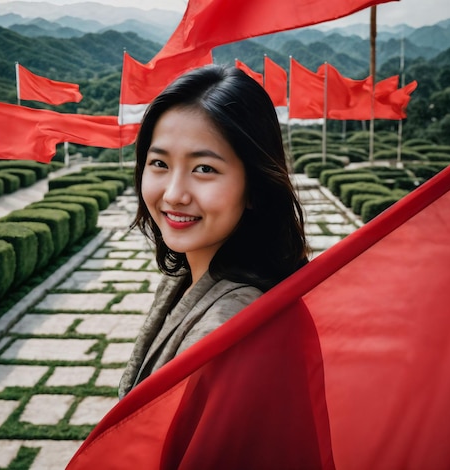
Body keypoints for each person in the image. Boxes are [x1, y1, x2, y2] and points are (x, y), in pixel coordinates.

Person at [118, 64, 310, 398]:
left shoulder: (231, 332)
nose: (174, 194)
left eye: (204, 169)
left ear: (254, 187)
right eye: (160, 164)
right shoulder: (187, 275)